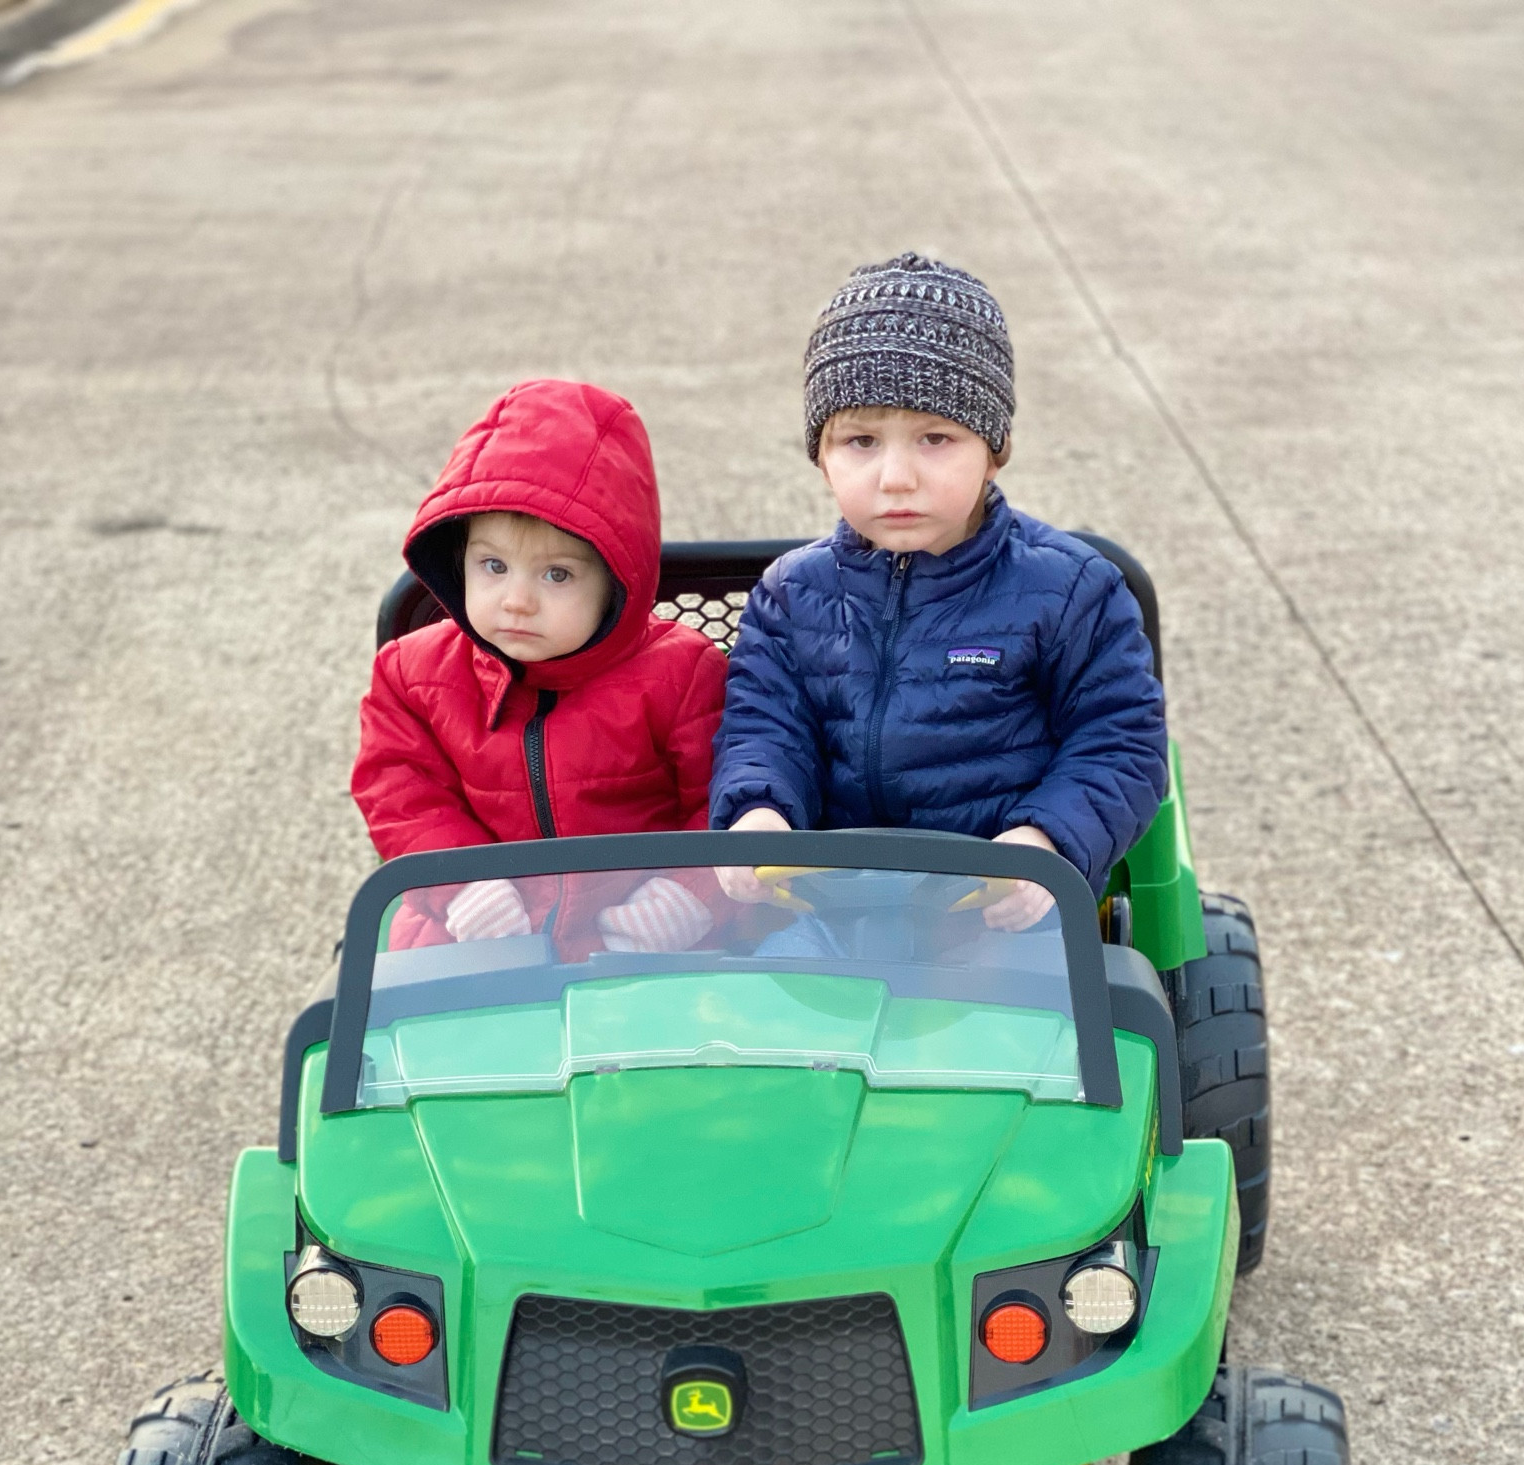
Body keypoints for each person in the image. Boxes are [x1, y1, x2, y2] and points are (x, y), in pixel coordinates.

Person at [710, 253, 1167, 931]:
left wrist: (1046, 841)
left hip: (1000, 909)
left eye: (936, 438)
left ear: (995, 446)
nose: (896, 476)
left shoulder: (1071, 590)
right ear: (820, 455)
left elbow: (1120, 744)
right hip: (828, 908)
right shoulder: (790, 595)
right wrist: (758, 810)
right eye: (861, 440)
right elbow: (766, 728)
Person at [353, 379, 725, 953]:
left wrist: (692, 896)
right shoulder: (412, 675)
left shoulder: (682, 675)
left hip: (637, 940)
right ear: (460, 561)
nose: (516, 600)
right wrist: (457, 883)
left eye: (557, 574)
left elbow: (724, 798)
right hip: (473, 929)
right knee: (406, 1025)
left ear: (616, 582)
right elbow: (401, 789)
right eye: (493, 565)